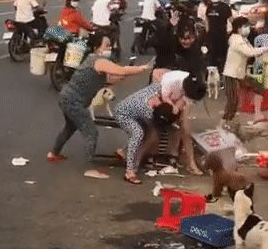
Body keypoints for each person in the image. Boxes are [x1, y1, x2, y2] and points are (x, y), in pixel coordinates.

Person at [47, 31, 150, 176]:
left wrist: (123, 76)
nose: (110, 48)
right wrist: (140, 69)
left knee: (70, 127)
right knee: (91, 133)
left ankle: (53, 154)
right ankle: (89, 167)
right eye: (107, 45)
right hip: (73, 101)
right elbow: (120, 70)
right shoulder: (99, 61)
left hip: (67, 98)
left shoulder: (95, 61)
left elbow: (111, 78)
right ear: (97, 48)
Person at [114, 74, 206, 183]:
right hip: (123, 114)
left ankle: (130, 157)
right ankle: (129, 171)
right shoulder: (147, 110)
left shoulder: (160, 90)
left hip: (139, 111)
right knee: (138, 134)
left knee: (153, 136)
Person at [222, 17, 268, 124]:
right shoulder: (236, 40)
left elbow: (252, 51)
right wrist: (263, 49)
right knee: (233, 102)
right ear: (238, 28)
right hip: (231, 75)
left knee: (258, 87)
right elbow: (249, 52)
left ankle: (257, 114)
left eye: (248, 26)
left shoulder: (243, 39)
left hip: (240, 75)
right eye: (245, 26)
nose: (247, 29)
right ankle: (223, 124)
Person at [205, 0, 232, 73]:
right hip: (211, 36)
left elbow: (231, 19)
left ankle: (222, 71)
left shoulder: (225, 7)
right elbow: (207, 20)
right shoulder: (209, 7)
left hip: (222, 35)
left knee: (223, 55)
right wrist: (207, 31)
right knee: (212, 56)